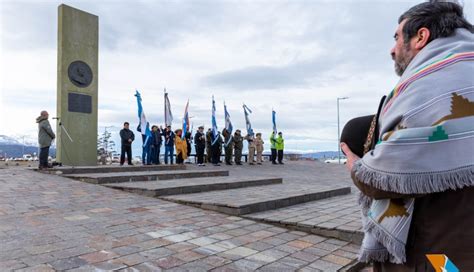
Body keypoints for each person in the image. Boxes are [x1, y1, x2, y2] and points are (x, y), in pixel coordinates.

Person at [340, 2, 474, 271]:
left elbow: (387, 177)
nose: (392, 49)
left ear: (421, 37)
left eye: (397, 37)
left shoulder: (431, 87)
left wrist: (356, 166)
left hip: (439, 254)